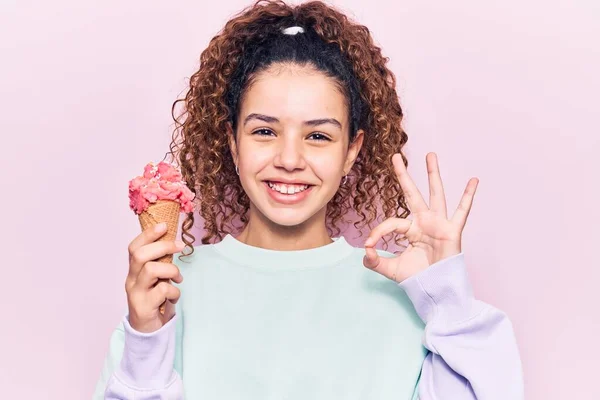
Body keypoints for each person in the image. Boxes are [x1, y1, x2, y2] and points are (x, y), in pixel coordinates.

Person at [93, 1, 524, 398]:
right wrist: (146, 338)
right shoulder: (170, 292)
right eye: (264, 131)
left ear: (351, 151)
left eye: (318, 136)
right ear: (232, 141)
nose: (289, 159)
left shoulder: (403, 293)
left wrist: (447, 299)